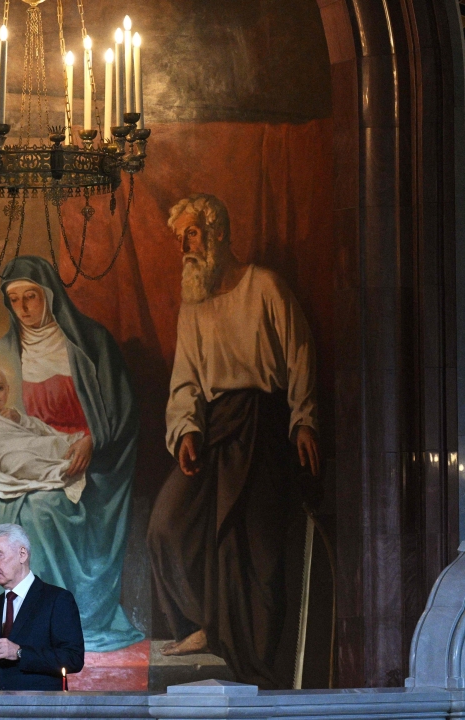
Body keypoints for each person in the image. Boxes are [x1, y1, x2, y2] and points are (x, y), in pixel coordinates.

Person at [146, 194, 319, 688]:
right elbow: (185, 381)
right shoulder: (193, 306)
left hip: (263, 428)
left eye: (192, 234)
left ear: (218, 234)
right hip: (214, 430)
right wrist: (186, 429)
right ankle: (206, 626)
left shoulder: (264, 287)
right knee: (166, 527)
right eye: (179, 239)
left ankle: (262, 669)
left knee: (259, 552)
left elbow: (301, 354)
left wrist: (304, 420)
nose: (185, 247)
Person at [0, 256, 142, 652]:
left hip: (73, 460)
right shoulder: (3, 349)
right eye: (15, 299)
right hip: (9, 456)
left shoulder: (90, 342)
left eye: (32, 296)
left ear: (49, 295)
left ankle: (37, 621)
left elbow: (124, 411)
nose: (25, 307)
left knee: (39, 511)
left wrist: (92, 438)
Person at [0, 524, 84, 690]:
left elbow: (73, 658)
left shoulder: (57, 599)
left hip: (41, 710)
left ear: (22, 554)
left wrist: (19, 652)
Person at [0, 366, 86, 503]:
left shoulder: (16, 414)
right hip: (8, 457)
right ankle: (60, 470)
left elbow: (40, 429)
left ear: (7, 389)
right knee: (17, 462)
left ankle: (64, 458)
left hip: (33, 446)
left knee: (48, 444)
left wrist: (20, 419)